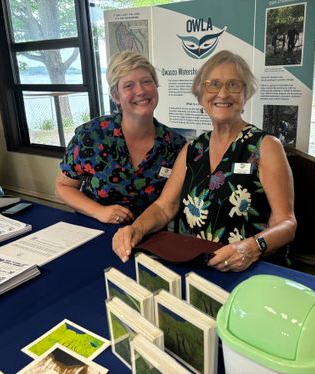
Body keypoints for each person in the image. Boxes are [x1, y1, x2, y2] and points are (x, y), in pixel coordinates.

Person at [112, 50, 296, 272]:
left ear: (245, 95)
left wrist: (252, 247)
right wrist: (136, 229)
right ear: (201, 96)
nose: (223, 94)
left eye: (233, 85)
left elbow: (287, 223)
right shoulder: (192, 149)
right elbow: (164, 207)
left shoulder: (265, 146)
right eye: (214, 84)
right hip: (192, 264)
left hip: (246, 268)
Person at [56, 52, 186, 224]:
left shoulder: (175, 145)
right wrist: (98, 211)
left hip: (148, 239)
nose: (140, 91)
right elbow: (63, 187)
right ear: (115, 95)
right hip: (95, 232)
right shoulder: (91, 136)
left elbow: (170, 204)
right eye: (129, 86)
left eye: (147, 81)